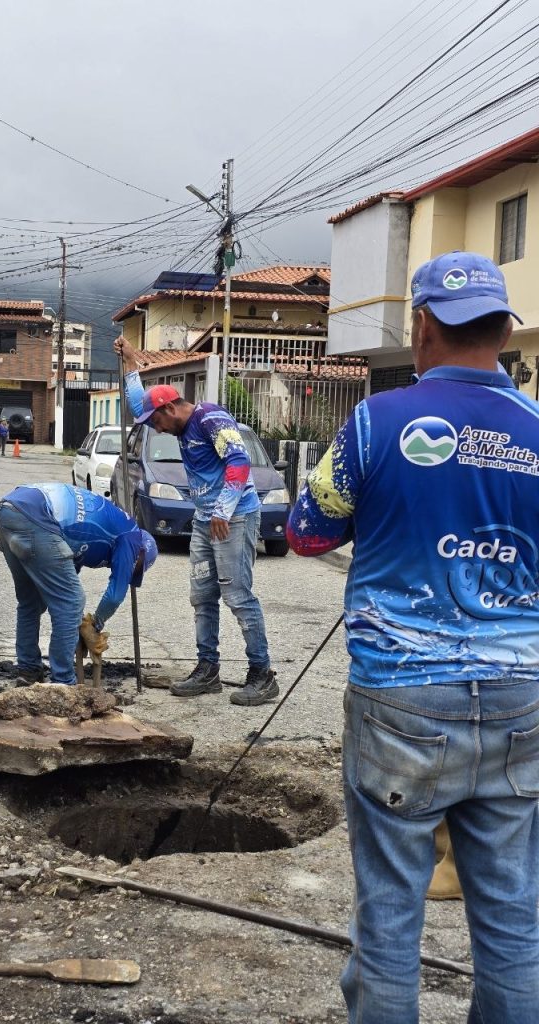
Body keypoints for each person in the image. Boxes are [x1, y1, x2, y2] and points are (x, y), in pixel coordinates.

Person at [287, 251, 539, 1022]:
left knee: (393, 912)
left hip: (401, 696)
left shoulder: (376, 421)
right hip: (519, 701)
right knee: (512, 912)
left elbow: (304, 533)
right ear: (502, 329)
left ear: (422, 325)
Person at [114, 337, 278, 706]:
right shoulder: (170, 418)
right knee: (203, 596)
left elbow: (238, 462)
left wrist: (222, 509)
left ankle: (262, 673)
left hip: (233, 517)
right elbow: (137, 402)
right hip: (204, 521)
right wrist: (131, 361)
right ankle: (208, 669)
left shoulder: (212, 419)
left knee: (237, 595)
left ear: (171, 408)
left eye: (156, 420)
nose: (154, 428)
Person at [0, 482, 157, 686]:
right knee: (72, 602)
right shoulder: (132, 538)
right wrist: (95, 624)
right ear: (141, 553)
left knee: (31, 601)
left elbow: (67, 571)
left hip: (10, 509)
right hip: (38, 517)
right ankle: (63, 682)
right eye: (137, 567)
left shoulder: (100, 534)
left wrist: (77, 622)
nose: (130, 570)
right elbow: (115, 594)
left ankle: (28, 671)